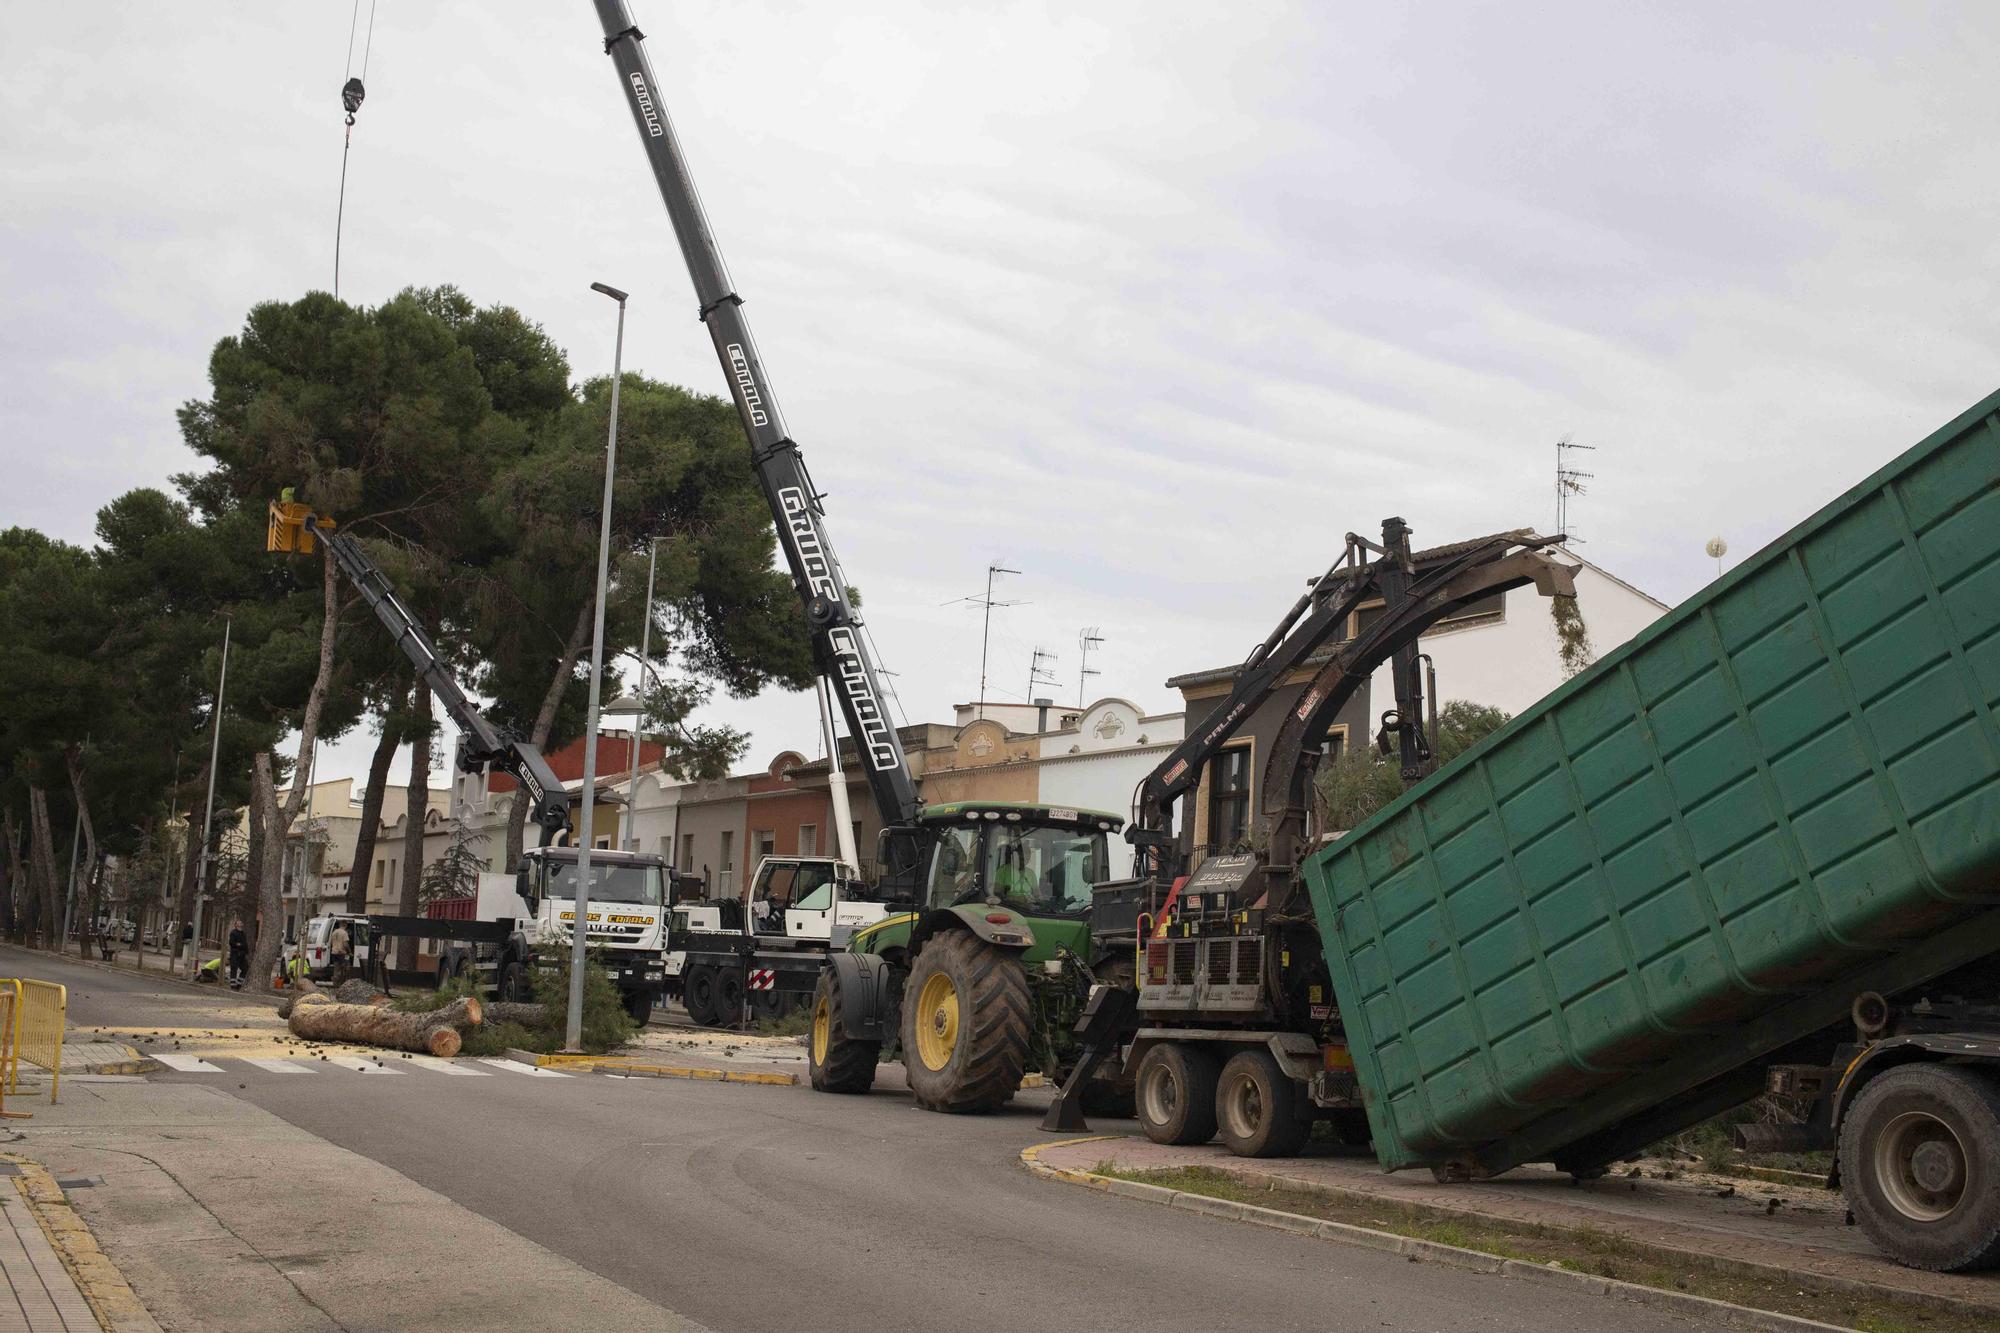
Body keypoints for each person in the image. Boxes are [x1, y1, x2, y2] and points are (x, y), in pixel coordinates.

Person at [226, 919, 249, 990]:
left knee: (245, 969)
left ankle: (239, 984)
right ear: (235, 925)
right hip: (235, 954)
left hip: (242, 955)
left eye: (241, 923)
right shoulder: (233, 933)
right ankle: (233, 985)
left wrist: (246, 951)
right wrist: (238, 945)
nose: (240, 924)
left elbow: (245, 944)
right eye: (238, 923)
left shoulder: (243, 933)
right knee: (234, 969)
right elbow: (232, 943)